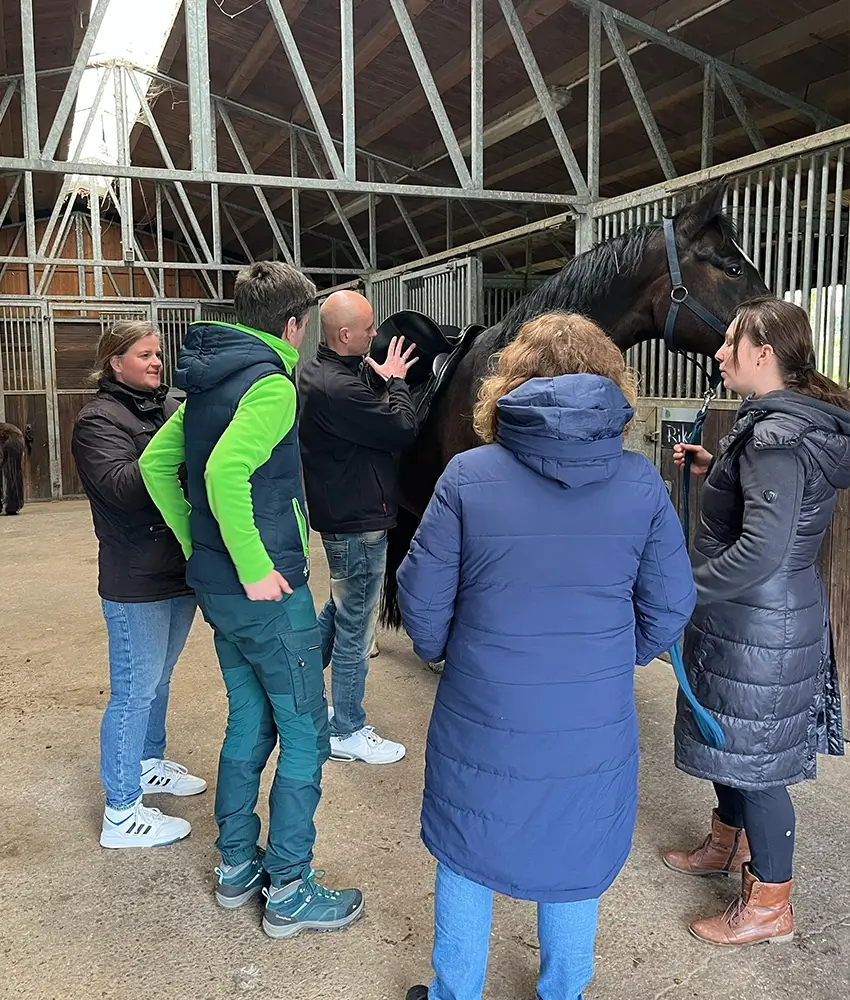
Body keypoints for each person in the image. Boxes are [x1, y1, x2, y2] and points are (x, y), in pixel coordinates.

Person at [395, 312, 697, 1000]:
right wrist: (613, 658)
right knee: (575, 846)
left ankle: (454, 992)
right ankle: (562, 991)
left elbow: (421, 596)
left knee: (468, 844)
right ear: (611, 383)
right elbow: (671, 603)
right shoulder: (640, 483)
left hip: (483, 704)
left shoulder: (468, 476)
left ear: (509, 382)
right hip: (591, 712)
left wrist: (448, 654)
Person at [140, 262, 363, 939]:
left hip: (218, 590)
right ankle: (290, 888)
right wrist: (255, 565)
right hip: (265, 593)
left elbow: (156, 465)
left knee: (248, 720)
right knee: (306, 733)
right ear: (294, 325)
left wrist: (198, 545)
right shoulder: (270, 385)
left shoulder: (208, 384)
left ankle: (237, 866)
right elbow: (223, 471)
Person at [663, 296, 850, 946]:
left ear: (763, 353)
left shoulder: (777, 437)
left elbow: (763, 551)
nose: (719, 353)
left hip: (760, 624)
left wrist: (680, 590)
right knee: (734, 742)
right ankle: (726, 843)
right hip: (750, 619)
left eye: (731, 343)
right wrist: (716, 469)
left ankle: (771, 904)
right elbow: (774, 507)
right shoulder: (777, 424)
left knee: (760, 764)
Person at [71, 320, 204, 850]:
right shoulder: (97, 421)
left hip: (178, 568)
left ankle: (148, 763)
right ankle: (122, 812)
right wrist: (179, 435)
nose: (156, 362)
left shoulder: (167, 405)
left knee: (160, 679)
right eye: (144, 354)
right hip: (136, 577)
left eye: (158, 354)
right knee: (133, 691)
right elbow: (126, 488)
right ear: (115, 362)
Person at [298, 289, 418, 764]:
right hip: (359, 520)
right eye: (368, 328)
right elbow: (402, 429)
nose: (374, 334)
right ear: (345, 334)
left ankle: (302, 691)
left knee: (342, 605)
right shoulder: (340, 388)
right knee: (355, 625)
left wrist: (374, 375)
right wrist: (399, 382)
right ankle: (346, 728)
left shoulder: (319, 371)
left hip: (341, 514)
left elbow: (355, 406)